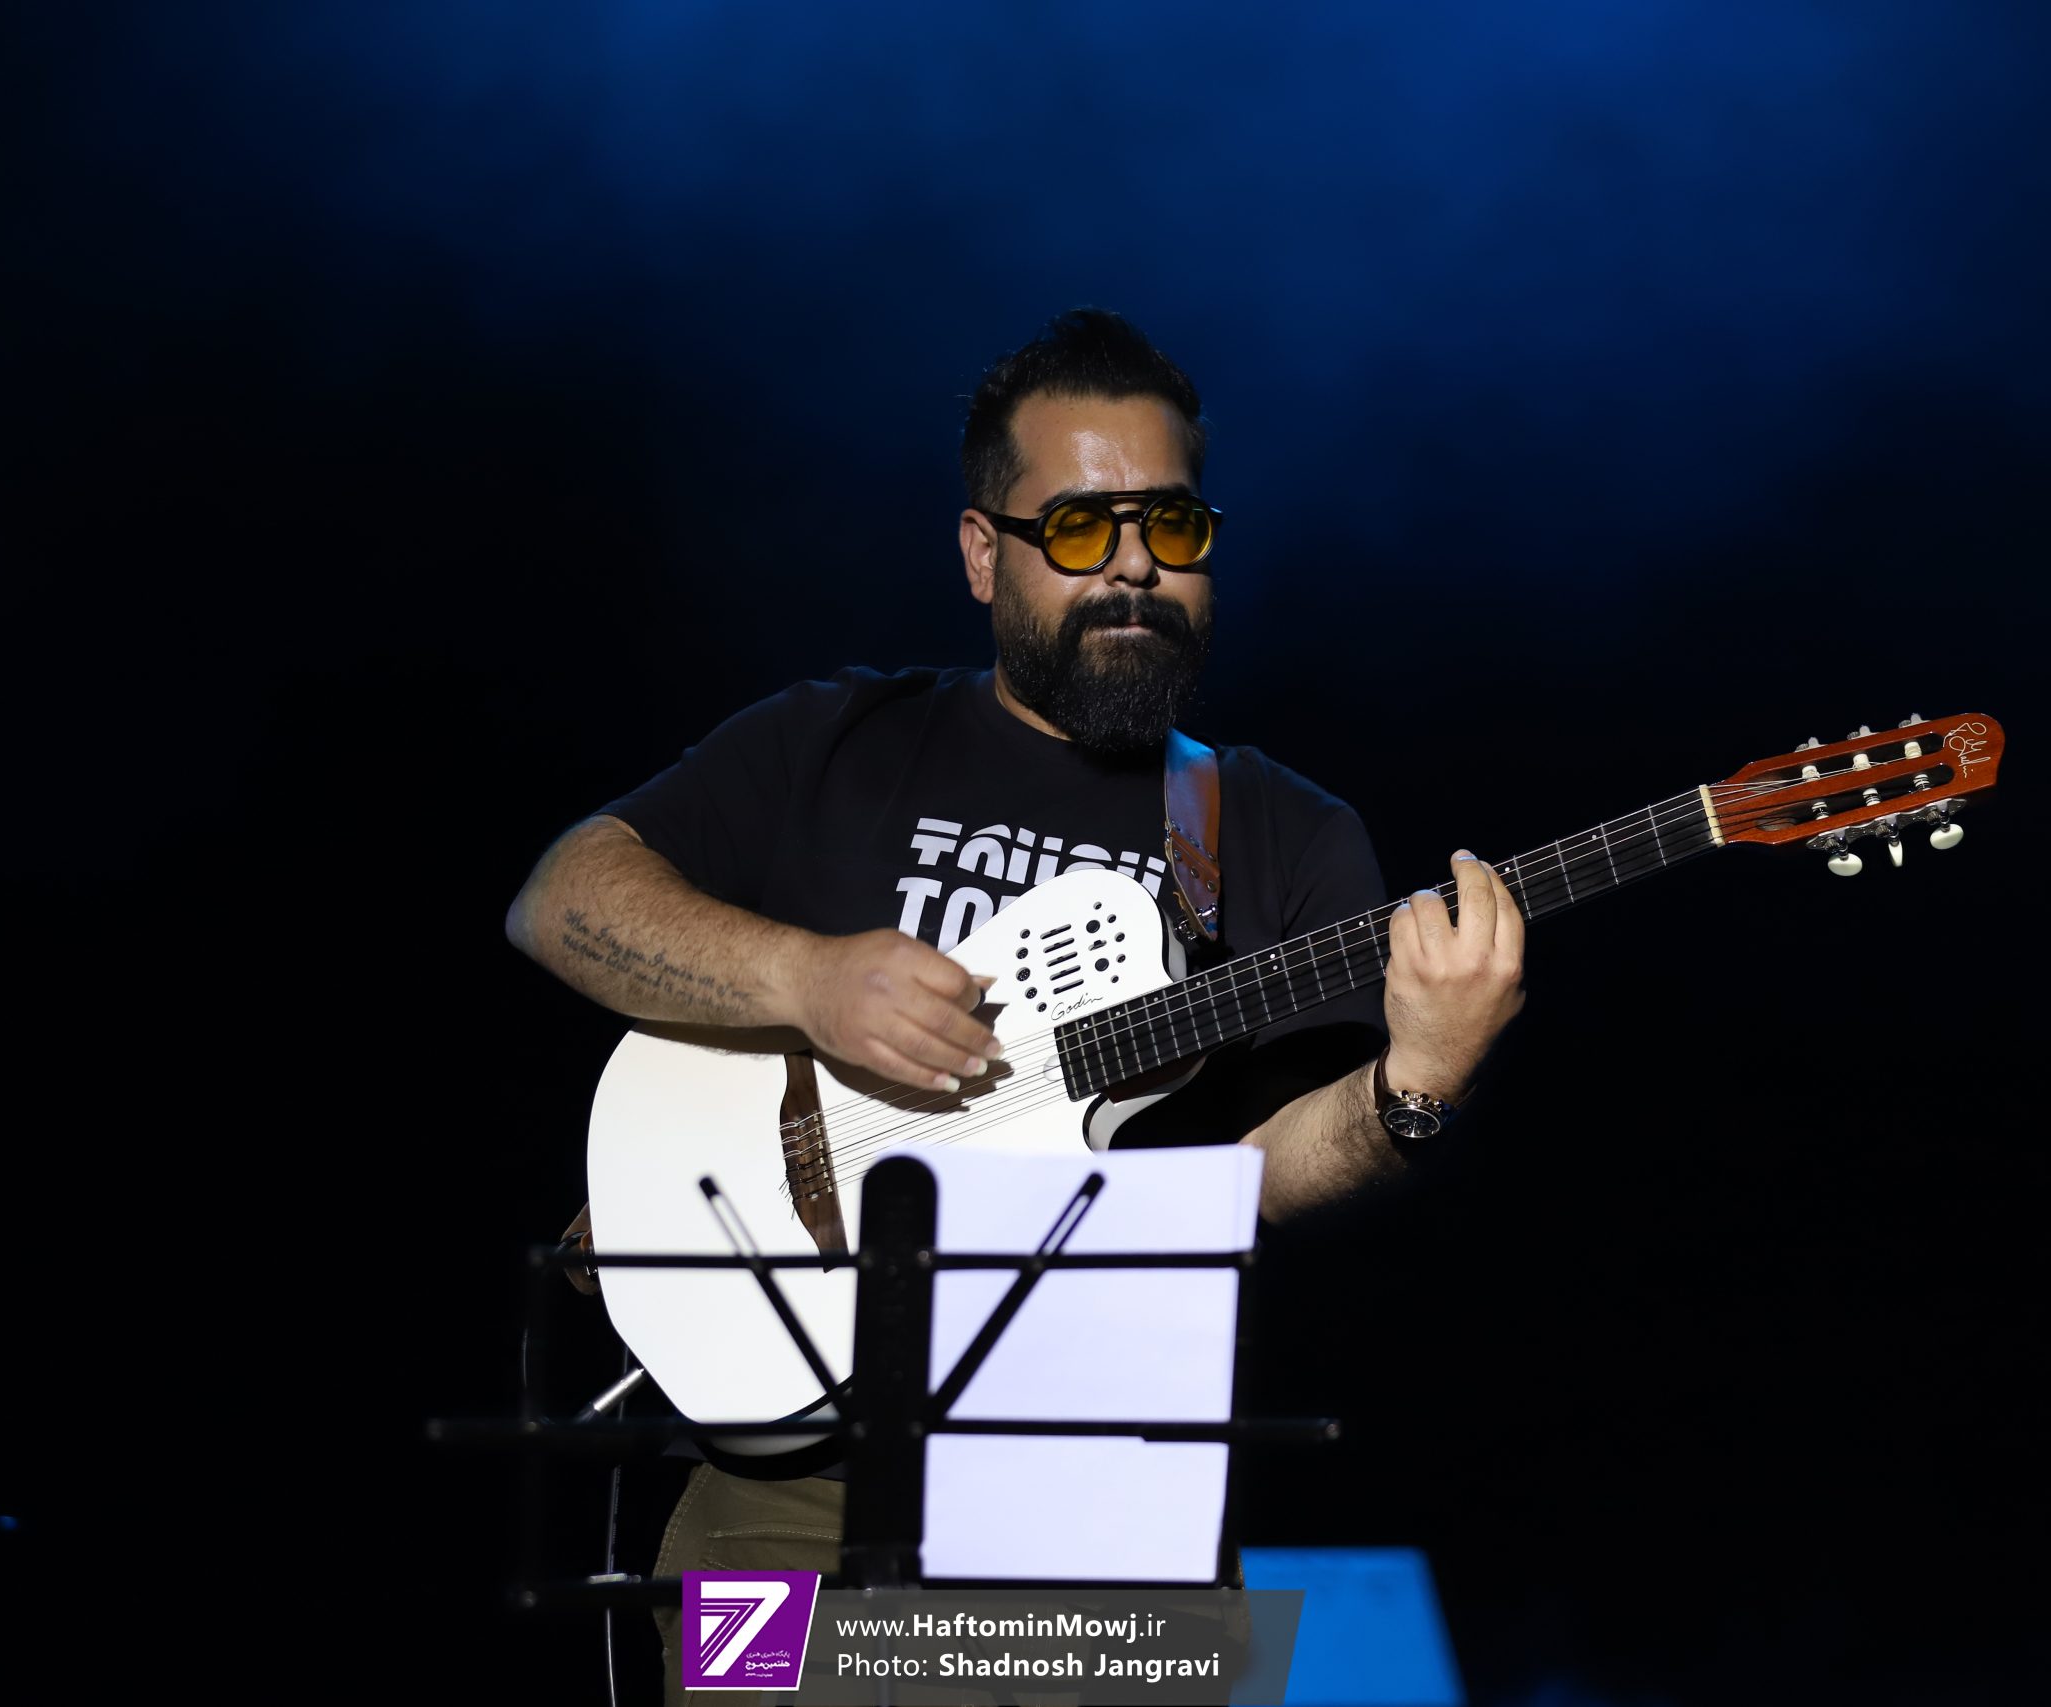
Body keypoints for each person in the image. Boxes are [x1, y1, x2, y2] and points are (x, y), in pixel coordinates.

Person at [504, 308, 1527, 1701]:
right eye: (1081, 528)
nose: (1133, 568)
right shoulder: (839, 738)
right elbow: (560, 897)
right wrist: (807, 978)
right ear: (985, 553)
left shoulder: (1278, 830)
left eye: (1171, 527)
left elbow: (1265, 1171)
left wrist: (1420, 1084)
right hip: (786, 1476)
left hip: (1104, 1489)